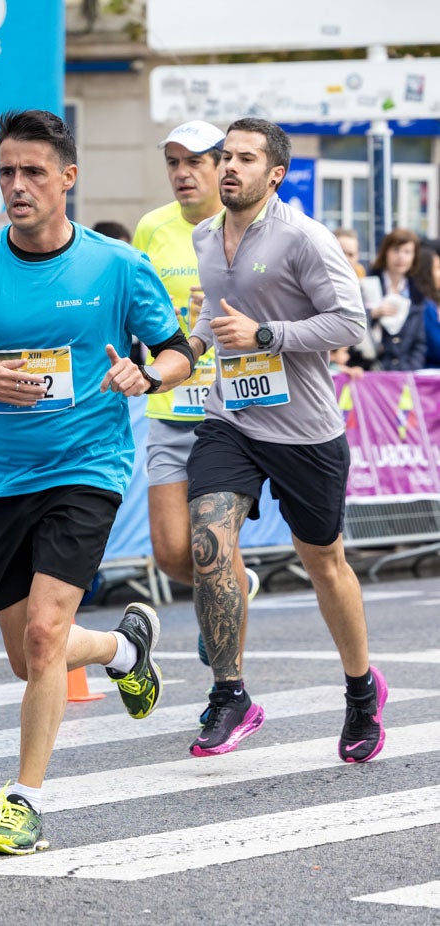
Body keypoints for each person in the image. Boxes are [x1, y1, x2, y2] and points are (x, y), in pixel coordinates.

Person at [0, 109, 193, 855]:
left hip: (87, 466)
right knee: (27, 655)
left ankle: (23, 803)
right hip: (1, 476)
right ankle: (123, 649)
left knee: (41, 635)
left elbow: (177, 352)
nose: (17, 185)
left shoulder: (115, 266)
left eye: (33, 171)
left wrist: (145, 375)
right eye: (6, 172)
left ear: (67, 178)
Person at [185, 117, 385, 763]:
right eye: (225, 156)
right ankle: (230, 694)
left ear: (274, 175)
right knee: (208, 539)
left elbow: (349, 322)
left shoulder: (304, 238)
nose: (229, 167)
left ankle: (361, 691)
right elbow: (210, 316)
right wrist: (176, 355)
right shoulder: (204, 235)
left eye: (245, 158)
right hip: (232, 419)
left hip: (304, 431)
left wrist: (267, 335)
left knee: (324, 563)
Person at [131, 120, 259, 666]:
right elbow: (136, 308)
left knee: (213, 551)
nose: (182, 173)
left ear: (220, 165)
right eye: (173, 162)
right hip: (170, 405)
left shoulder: (249, 225)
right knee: (171, 553)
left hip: (231, 413)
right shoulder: (151, 228)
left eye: (194, 162)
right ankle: (232, 588)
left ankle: (229, 680)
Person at [365, 228, 428, 371]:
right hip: (372, 369)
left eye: (407, 252)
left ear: (414, 256)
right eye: (396, 250)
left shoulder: (417, 291)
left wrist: (409, 369)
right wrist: (373, 313)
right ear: (385, 252)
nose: (401, 257)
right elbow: (354, 324)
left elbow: (420, 342)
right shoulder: (370, 283)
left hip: (406, 371)